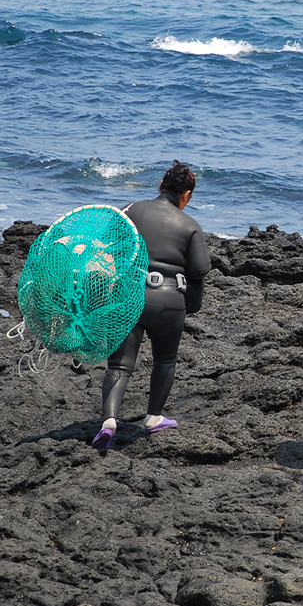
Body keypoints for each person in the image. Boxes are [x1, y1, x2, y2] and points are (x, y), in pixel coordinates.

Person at [92, 161, 211, 450]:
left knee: (120, 364)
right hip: (170, 302)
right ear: (187, 195)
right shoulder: (191, 226)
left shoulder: (131, 210)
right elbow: (199, 269)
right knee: (165, 359)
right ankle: (153, 417)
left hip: (130, 298)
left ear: (161, 186)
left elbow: (108, 246)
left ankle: (109, 420)